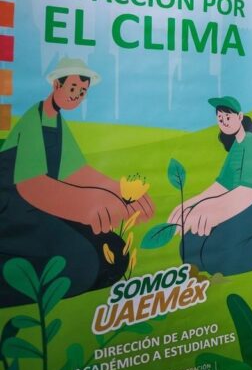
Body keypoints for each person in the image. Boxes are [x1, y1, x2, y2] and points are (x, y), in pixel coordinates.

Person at [0, 57, 154, 306]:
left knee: (113, 250)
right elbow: (31, 185)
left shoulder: (56, 121)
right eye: (73, 88)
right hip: (15, 212)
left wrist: (122, 192)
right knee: (82, 262)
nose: (77, 96)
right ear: (56, 85)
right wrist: (86, 204)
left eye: (82, 91)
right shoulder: (32, 119)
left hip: (45, 206)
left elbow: (77, 171)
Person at [168, 97, 252, 275]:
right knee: (190, 242)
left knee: (209, 250)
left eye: (227, 117)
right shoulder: (237, 146)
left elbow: (250, 191)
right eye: (220, 118)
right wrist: (191, 204)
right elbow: (221, 185)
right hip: (242, 197)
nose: (224, 122)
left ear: (240, 117)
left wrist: (212, 208)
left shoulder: (251, 143)